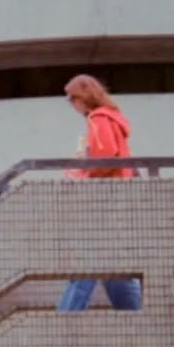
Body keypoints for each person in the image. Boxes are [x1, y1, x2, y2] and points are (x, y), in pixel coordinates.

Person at [56, 74, 144, 313]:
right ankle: (140, 321)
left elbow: (106, 158)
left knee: (86, 267)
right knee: (116, 274)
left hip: (103, 202)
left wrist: (82, 173)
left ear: (83, 97)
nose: (72, 105)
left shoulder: (98, 118)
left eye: (73, 99)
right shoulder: (112, 117)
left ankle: (63, 324)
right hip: (117, 200)